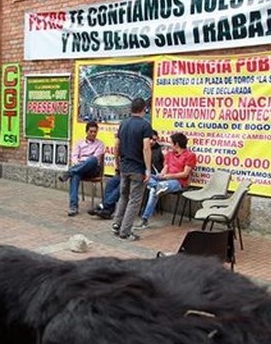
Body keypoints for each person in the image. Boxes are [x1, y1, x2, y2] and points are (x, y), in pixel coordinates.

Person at [135, 132, 197, 229]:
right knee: (144, 175)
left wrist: (169, 176)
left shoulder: (190, 155)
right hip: (165, 179)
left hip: (179, 182)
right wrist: (162, 175)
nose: (170, 145)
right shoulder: (170, 154)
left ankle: (145, 219)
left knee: (153, 191)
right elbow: (166, 167)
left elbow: (185, 174)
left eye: (171, 143)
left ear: (176, 144)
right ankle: (157, 186)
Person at [111, 98, 153, 241]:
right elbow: (146, 148)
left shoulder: (123, 124)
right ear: (144, 109)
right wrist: (148, 169)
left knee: (123, 196)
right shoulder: (145, 125)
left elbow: (117, 145)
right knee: (134, 201)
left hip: (124, 167)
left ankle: (116, 224)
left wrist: (117, 163)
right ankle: (126, 231)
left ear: (131, 109)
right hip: (137, 169)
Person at [58, 120, 104, 216]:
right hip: (80, 169)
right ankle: (73, 207)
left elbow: (96, 158)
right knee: (75, 175)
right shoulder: (79, 143)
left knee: (92, 159)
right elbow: (74, 158)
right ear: (86, 132)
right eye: (91, 131)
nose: (93, 134)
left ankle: (69, 172)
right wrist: (80, 163)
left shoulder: (100, 144)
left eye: (95, 132)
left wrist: (83, 161)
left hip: (93, 169)